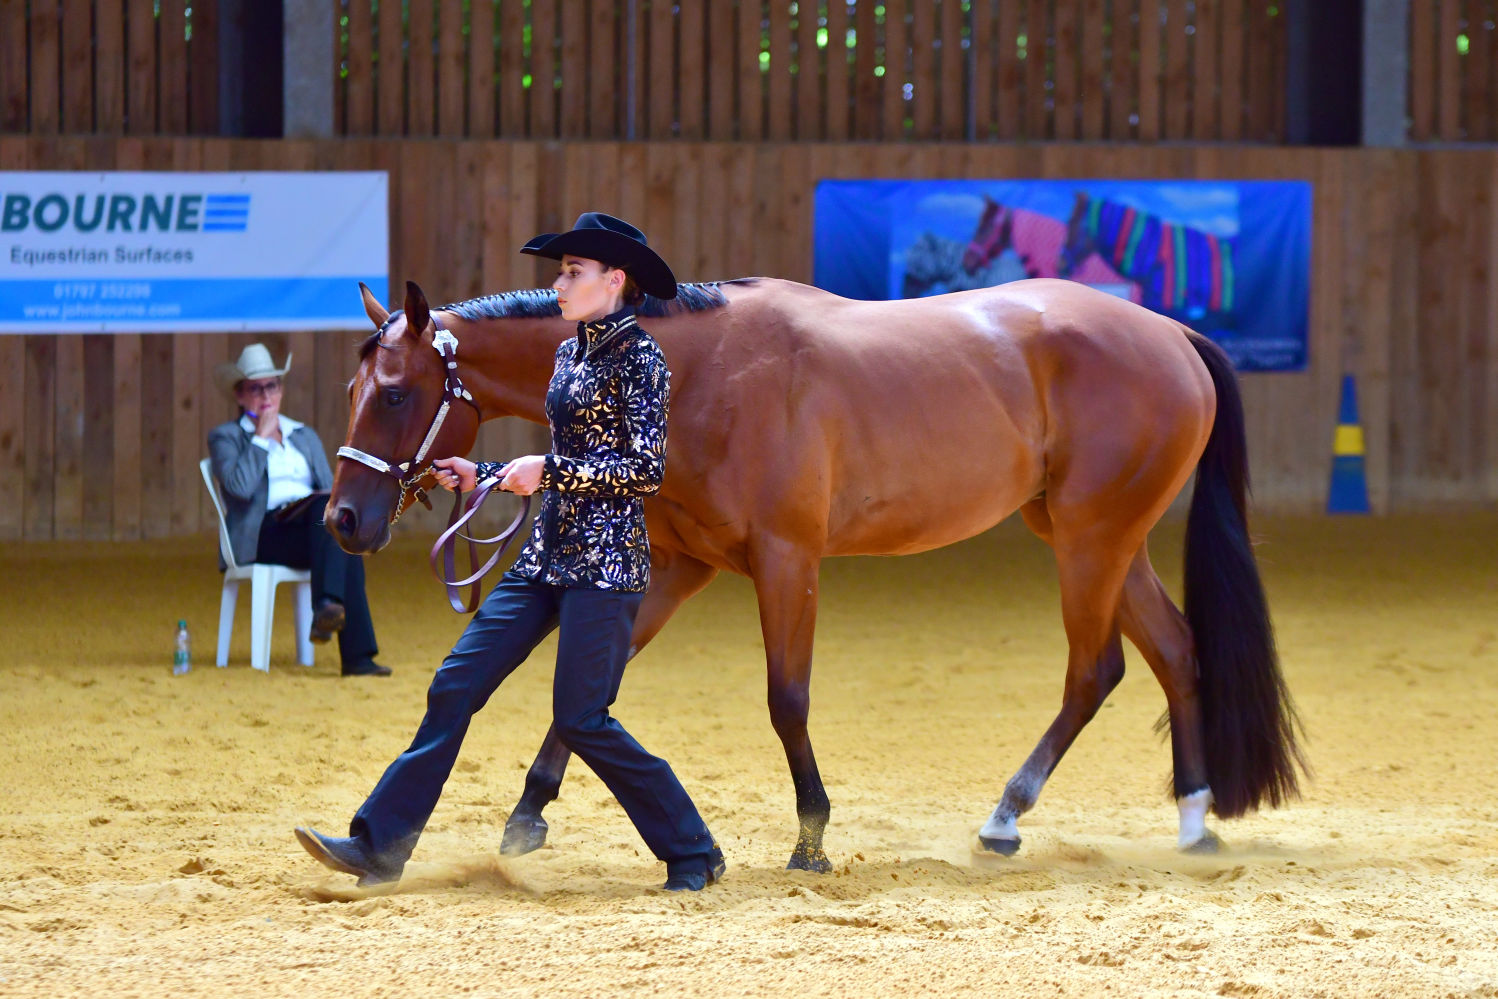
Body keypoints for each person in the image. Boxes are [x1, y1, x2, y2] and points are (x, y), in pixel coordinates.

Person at [294, 212, 724, 892]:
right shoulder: (567, 353)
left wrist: (545, 471)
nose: (559, 282)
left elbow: (645, 470)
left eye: (572, 272)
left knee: (583, 720)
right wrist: (486, 473)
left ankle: (693, 849)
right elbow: (565, 457)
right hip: (546, 555)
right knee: (455, 684)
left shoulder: (643, 358)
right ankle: (377, 844)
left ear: (614, 281)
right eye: (561, 271)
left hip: (605, 564)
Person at [208, 344, 390, 677]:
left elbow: (329, 487)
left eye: (272, 386)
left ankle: (329, 611)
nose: (266, 395)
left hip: (311, 529)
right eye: (255, 388)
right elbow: (239, 488)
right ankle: (352, 650)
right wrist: (261, 439)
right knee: (330, 523)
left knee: (336, 524)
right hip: (263, 533)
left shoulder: (302, 434)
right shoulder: (227, 437)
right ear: (239, 396)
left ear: (281, 390)